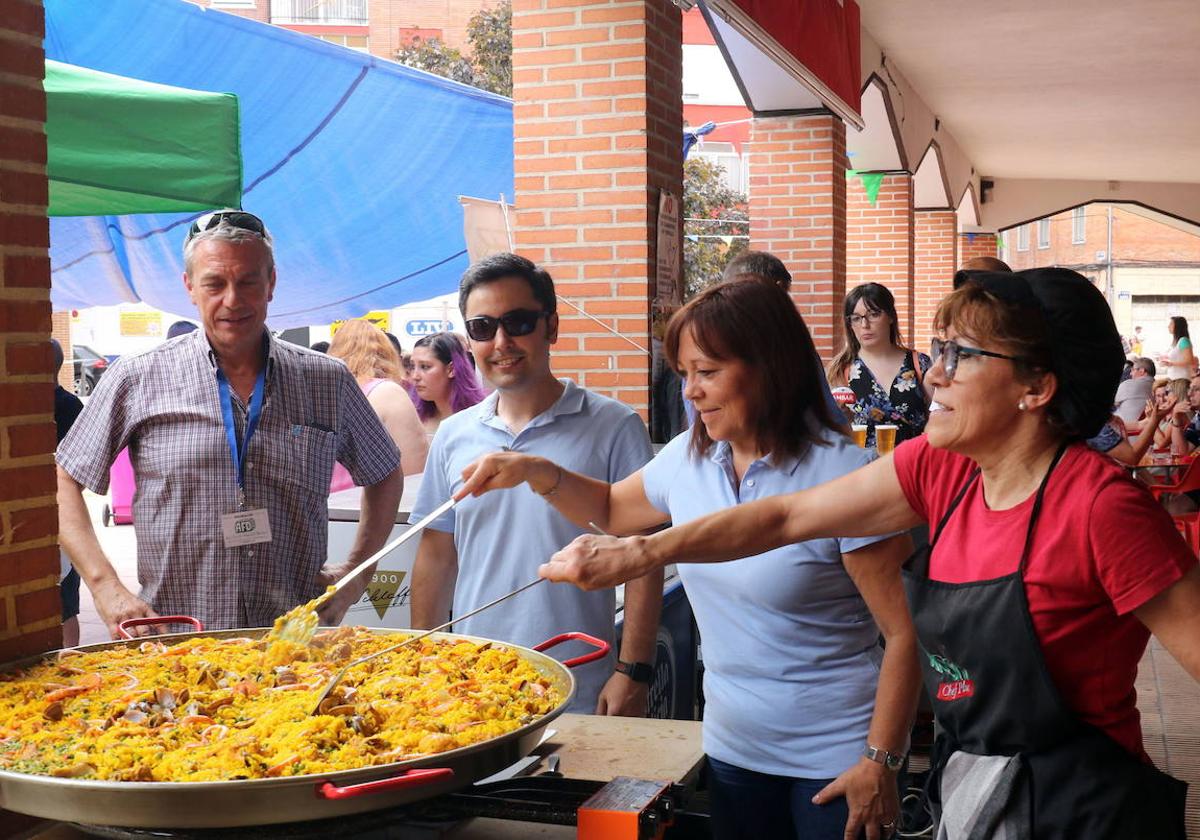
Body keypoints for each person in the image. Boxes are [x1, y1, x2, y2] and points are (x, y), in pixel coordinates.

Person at [542, 268, 1200, 839]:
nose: (932, 372)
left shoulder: (1103, 508)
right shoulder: (942, 468)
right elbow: (784, 515)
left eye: (962, 356)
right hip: (976, 783)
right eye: (938, 350)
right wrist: (640, 552)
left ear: (1037, 387)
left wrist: (880, 760)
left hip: (1081, 803)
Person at [455, 279, 919, 840]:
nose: (692, 393)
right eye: (684, 375)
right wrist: (534, 470)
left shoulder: (843, 477)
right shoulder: (689, 459)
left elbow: (905, 634)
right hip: (733, 748)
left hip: (836, 757)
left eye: (708, 372)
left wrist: (881, 759)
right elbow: (608, 507)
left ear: (769, 366)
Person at [56, 210, 404, 636]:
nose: (233, 300)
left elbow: (385, 471)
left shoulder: (326, 380)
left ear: (271, 283)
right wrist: (104, 585)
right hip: (176, 639)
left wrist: (356, 574)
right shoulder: (139, 377)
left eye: (248, 281)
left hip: (292, 641)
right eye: (215, 283)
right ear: (190, 288)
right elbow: (63, 478)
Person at [410, 252, 661, 717]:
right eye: (483, 328)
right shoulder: (453, 434)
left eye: (519, 322)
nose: (502, 342)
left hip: (580, 677)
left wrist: (633, 670)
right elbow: (437, 551)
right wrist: (424, 657)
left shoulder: (614, 425)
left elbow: (642, 557)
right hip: (473, 682)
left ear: (552, 327)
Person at [828, 283, 932, 448]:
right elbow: (830, 434)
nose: (865, 325)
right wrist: (841, 419)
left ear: (890, 316)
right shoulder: (841, 370)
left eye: (873, 314)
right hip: (865, 468)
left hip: (914, 466)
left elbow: (938, 421)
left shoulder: (920, 364)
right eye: (856, 318)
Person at [327, 319, 428, 481]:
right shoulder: (389, 393)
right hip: (373, 502)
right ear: (386, 352)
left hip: (330, 502)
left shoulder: (328, 397)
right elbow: (413, 475)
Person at [51, 339, 84, 647]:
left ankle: (69, 660)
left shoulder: (32, 407)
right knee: (67, 604)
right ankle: (70, 657)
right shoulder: (72, 405)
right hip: (65, 515)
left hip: (61, 514)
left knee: (65, 601)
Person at [408, 331, 487, 436]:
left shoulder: (481, 419)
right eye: (413, 366)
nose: (415, 376)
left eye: (425, 366)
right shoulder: (413, 418)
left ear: (451, 369)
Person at [1112, 357, 1155, 424]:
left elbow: (1113, 402)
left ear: (1141, 371)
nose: (1130, 373)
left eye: (1132, 370)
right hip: (1149, 429)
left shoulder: (1128, 384)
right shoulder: (1158, 388)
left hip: (1122, 429)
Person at [1169, 374, 1200, 457]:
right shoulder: (1198, 418)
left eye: (1196, 389)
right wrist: (1176, 419)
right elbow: (1182, 452)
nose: (1189, 394)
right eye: (1190, 389)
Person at [1161, 316, 1194, 382]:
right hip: (1172, 378)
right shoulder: (1175, 342)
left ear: (1178, 326)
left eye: (1171, 324)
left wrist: (1171, 363)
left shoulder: (1183, 340)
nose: (1168, 326)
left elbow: (1190, 361)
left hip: (1182, 379)